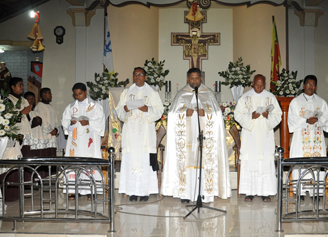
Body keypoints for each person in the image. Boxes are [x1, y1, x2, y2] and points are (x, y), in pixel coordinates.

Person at [161, 68, 231, 203]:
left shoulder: (208, 93)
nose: (194, 81)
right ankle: (186, 194)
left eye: (197, 78)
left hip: (203, 135)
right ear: (188, 79)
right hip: (187, 137)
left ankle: (205, 193)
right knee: (187, 162)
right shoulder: (181, 94)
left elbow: (217, 115)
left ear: (201, 79)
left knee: (203, 161)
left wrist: (205, 113)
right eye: (192, 78)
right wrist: (183, 114)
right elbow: (172, 114)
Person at [115, 67, 163, 202]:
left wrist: (148, 109)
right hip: (131, 134)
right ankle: (132, 192)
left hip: (145, 135)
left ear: (145, 77)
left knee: (144, 162)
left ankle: (144, 192)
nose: (137, 76)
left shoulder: (152, 93)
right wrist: (124, 109)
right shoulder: (126, 92)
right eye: (135, 74)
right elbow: (118, 111)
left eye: (140, 74)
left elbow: (159, 110)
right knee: (131, 162)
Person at [234, 74, 282, 202]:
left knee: (265, 161)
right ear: (252, 83)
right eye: (256, 85)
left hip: (265, 136)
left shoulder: (270, 97)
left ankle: (265, 192)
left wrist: (268, 116)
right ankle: (249, 192)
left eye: (261, 85)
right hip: (251, 135)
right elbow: (237, 115)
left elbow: (278, 115)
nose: (259, 88)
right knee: (251, 161)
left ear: (264, 84)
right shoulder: (245, 97)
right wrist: (251, 116)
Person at [288, 75, 328, 199]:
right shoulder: (295, 102)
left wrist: (318, 120)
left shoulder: (322, 102)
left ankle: (315, 192)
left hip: (316, 138)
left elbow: (327, 120)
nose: (310, 87)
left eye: (313, 85)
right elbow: (291, 119)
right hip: (302, 138)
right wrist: (306, 121)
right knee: (301, 162)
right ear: (303, 85)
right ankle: (300, 191)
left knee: (316, 164)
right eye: (308, 84)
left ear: (316, 87)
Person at [61, 83, 105, 199]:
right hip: (75, 140)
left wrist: (89, 123)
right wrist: (70, 123)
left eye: (80, 93)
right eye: (75, 94)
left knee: (89, 162)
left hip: (89, 139)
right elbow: (64, 122)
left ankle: (91, 190)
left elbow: (101, 122)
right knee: (75, 162)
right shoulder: (70, 107)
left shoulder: (95, 106)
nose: (78, 96)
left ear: (85, 92)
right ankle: (74, 190)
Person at [34, 88, 59, 158]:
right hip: (44, 136)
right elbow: (43, 122)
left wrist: (56, 130)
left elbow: (56, 121)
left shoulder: (52, 107)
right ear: (43, 94)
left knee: (52, 157)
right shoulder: (40, 106)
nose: (51, 94)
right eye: (49, 93)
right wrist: (51, 131)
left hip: (52, 136)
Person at [21, 92, 43, 158]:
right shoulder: (23, 112)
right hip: (29, 139)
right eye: (29, 98)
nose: (32, 100)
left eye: (33, 98)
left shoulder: (35, 112)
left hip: (36, 138)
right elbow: (27, 124)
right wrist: (35, 121)